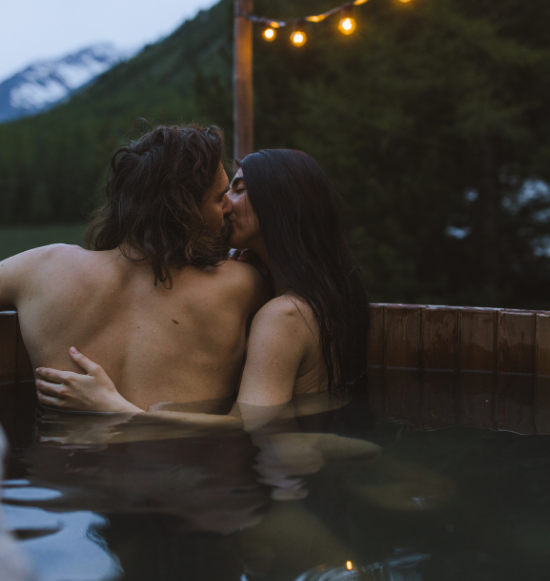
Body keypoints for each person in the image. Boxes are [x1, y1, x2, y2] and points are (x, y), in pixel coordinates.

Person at [0, 125, 268, 409]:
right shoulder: (241, 285)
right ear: (182, 210)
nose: (227, 207)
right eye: (218, 197)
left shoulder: (45, 268)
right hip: (187, 478)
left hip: (67, 477)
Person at [34, 148, 371, 418]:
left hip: (286, 482)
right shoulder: (325, 296)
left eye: (238, 191)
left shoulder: (283, 317)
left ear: (279, 203)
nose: (225, 205)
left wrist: (114, 407)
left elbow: (252, 428)